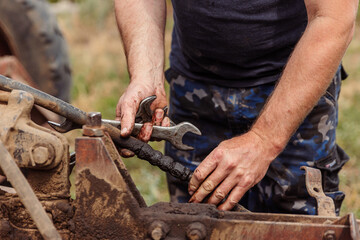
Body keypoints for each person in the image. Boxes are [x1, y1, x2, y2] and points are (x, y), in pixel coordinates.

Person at [113, 0, 358, 214]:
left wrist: (264, 139)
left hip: (295, 88)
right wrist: (146, 74)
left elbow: (333, 18)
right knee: (194, 225)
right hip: (195, 88)